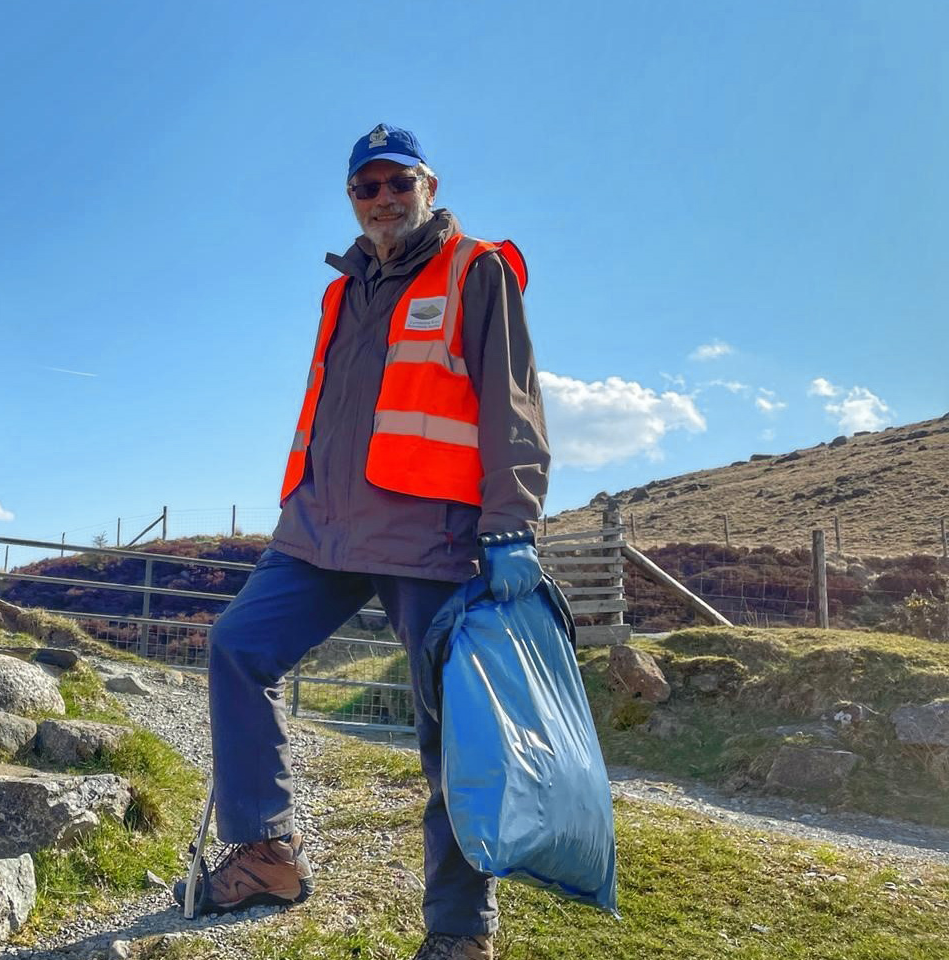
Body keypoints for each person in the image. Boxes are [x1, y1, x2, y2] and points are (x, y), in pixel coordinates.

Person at [173, 124, 551, 960]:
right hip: (321, 529)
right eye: (365, 188)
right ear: (352, 198)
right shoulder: (340, 293)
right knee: (237, 644)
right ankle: (266, 853)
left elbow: (512, 402)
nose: (382, 199)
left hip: (432, 535)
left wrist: (512, 522)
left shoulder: (475, 269)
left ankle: (459, 933)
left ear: (428, 183)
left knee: (447, 732)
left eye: (397, 183)